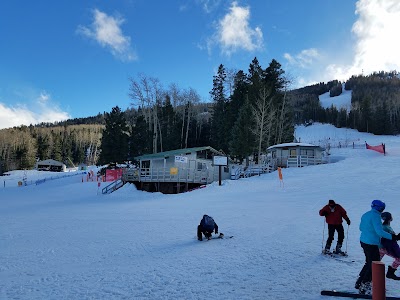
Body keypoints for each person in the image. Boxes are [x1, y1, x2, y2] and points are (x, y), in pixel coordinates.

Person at [355, 200, 400, 295]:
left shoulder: (366, 214)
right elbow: (380, 232)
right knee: (374, 265)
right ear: (380, 208)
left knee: (369, 262)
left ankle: (359, 282)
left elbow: (361, 228)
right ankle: (365, 286)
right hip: (371, 244)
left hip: (363, 241)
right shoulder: (376, 217)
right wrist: (393, 237)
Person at [379, 212, 400, 280]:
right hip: (385, 248)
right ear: (390, 218)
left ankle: (368, 275)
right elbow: (389, 239)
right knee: (399, 259)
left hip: (380, 247)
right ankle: (390, 273)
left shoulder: (384, 226)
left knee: (375, 262)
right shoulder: (386, 227)